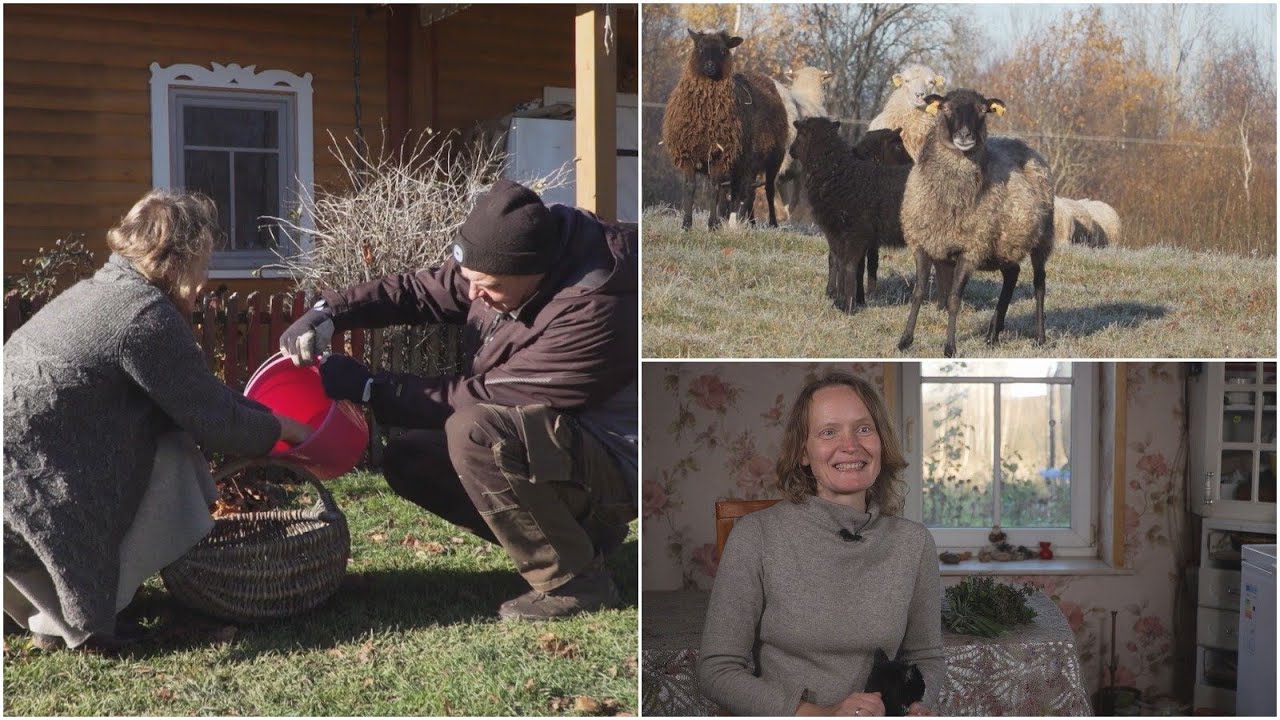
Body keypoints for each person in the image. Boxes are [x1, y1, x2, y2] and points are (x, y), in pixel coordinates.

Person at [278, 179, 637, 620]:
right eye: (469, 279)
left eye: (487, 286)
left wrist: (371, 388)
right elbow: (422, 290)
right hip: (564, 447)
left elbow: (484, 395)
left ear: (535, 272)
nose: (472, 296)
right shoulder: (507, 257)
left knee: (477, 431)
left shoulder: (597, 309)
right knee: (410, 459)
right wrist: (329, 312)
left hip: (616, 463)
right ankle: (580, 541)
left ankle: (576, 582)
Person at [3, 189, 313, 651]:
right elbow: (212, 420)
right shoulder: (144, 316)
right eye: (204, 260)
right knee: (176, 457)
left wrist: (264, 414)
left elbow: (199, 394)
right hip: (36, 469)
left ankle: (42, 612)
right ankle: (77, 622)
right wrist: (283, 429)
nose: (206, 277)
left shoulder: (101, 289)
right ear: (177, 258)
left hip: (14, 465)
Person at [698, 373, 943, 716]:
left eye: (863, 429)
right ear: (803, 452)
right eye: (829, 432)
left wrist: (917, 704)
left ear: (881, 442)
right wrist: (821, 713)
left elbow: (926, 658)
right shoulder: (756, 536)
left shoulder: (914, 543)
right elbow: (717, 671)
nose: (851, 445)